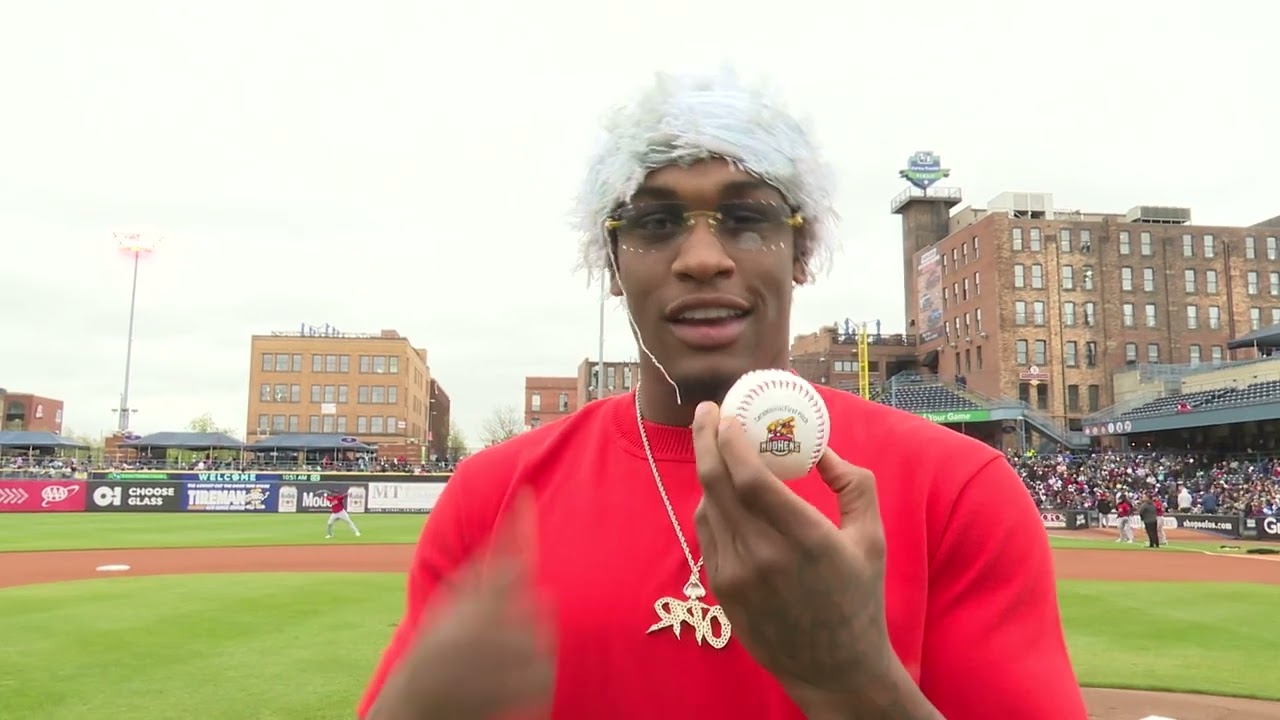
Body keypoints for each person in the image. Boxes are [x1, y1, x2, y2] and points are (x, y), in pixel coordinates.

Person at [356, 70, 1087, 720]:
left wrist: (854, 682)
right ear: (611, 262)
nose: (703, 258)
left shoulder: (957, 491)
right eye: (655, 223)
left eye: (745, 219)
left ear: (800, 253)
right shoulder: (492, 498)